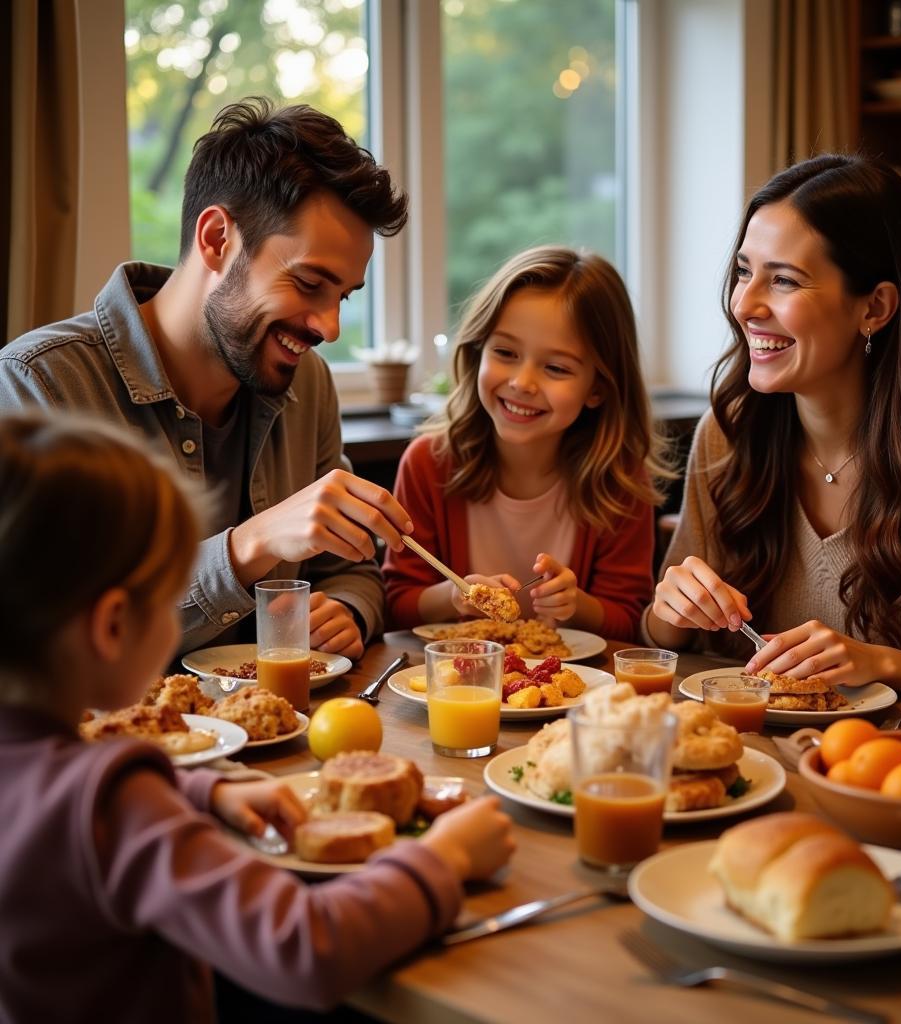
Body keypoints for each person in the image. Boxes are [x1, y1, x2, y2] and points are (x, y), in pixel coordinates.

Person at [0, 410, 515, 1022]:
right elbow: (305, 947)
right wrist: (445, 859)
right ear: (113, 627)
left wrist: (201, 789)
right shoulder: (115, 803)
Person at [0, 97, 415, 661]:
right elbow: (49, 636)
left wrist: (346, 610)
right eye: (310, 283)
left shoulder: (309, 382)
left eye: (343, 296)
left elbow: (350, 571)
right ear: (217, 239)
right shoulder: (39, 386)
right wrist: (251, 545)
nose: (330, 327)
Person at [646, 154, 901, 700]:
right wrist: (669, 611)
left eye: (784, 280)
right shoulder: (727, 435)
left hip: (891, 775)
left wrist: (881, 664)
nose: (744, 304)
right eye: (744, 271)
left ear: (874, 308)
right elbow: (664, 646)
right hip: (742, 763)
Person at [383, 246, 676, 641]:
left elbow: (629, 620)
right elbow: (396, 604)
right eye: (505, 352)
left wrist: (577, 603)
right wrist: (453, 595)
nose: (522, 382)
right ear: (476, 352)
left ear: (598, 388)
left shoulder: (619, 482)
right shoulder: (428, 464)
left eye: (556, 368)